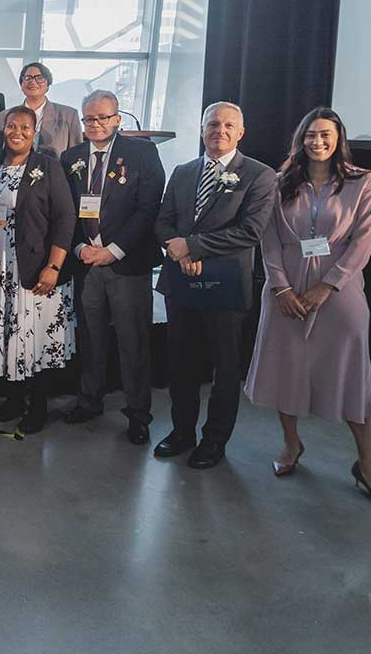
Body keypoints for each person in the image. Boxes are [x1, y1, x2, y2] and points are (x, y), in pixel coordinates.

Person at [244, 107, 371, 495]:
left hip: (340, 291)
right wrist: (280, 287)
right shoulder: (278, 182)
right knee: (287, 370)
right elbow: (268, 239)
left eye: (326, 135)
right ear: (301, 139)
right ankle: (292, 443)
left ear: (338, 139)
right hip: (285, 291)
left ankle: (366, 461)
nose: (318, 142)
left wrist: (328, 285)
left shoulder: (362, 183)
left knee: (352, 377)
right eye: (311, 135)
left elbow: (363, 240)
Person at [154, 101, 276, 470]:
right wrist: (179, 250)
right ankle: (181, 432)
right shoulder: (183, 171)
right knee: (181, 363)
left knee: (225, 367)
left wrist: (192, 246)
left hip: (224, 286)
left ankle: (215, 440)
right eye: (212, 124)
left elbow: (250, 232)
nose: (218, 130)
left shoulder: (259, 175)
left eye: (227, 125)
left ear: (240, 133)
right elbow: (164, 221)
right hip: (181, 282)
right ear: (202, 129)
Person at [61, 91, 165, 444]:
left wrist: (114, 251)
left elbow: (148, 209)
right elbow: (64, 211)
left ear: (118, 119)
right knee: (90, 338)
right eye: (89, 119)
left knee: (132, 341)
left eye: (103, 118)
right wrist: (78, 247)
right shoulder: (71, 157)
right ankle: (89, 400)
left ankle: (138, 413)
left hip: (127, 264)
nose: (96, 125)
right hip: (86, 263)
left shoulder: (142, 153)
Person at [0, 105, 76, 434]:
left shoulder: (47, 166)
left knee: (34, 335)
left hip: (33, 266)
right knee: (5, 332)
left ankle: (38, 405)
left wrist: (54, 266)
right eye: (11, 126)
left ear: (35, 133)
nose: (17, 132)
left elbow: (66, 218)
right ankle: (13, 398)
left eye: (24, 128)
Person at [0, 62, 82, 157]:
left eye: (40, 78)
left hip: (55, 171)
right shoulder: (2, 117)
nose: (33, 82)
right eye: (28, 78)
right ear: (21, 85)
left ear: (48, 84)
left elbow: (77, 156)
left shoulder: (69, 115)